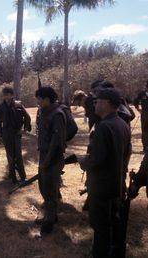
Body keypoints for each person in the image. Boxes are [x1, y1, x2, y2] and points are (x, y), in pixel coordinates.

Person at [77, 88, 131, 257]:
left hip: (101, 186)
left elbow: (96, 161)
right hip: (116, 183)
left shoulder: (103, 127)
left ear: (107, 103)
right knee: (113, 221)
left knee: (100, 226)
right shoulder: (122, 123)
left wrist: (82, 161)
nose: (94, 103)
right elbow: (126, 153)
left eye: (97, 101)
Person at [35, 86, 66, 235]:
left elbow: (57, 142)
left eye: (39, 99)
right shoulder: (44, 112)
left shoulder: (57, 114)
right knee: (44, 187)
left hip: (52, 157)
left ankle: (49, 223)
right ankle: (51, 216)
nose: (38, 102)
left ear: (47, 99)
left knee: (50, 191)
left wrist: (47, 161)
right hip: (44, 155)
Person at [0, 86, 31, 184]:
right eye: (4, 95)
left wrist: (24, 130)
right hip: (6, 134)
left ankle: (23, 176)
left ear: (12, 95)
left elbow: (27, 118)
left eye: (8, 95)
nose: (6, 97)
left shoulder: (18, 105)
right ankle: (12, 175)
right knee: (10, 155)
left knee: (18, 156)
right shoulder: (1, 107)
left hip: (16, 133)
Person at [133, 80, 148, 152]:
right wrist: (138, 109)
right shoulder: (142, 94)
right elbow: (135, 101)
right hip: (145, 113)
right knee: (145, 131)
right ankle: (145, 148)